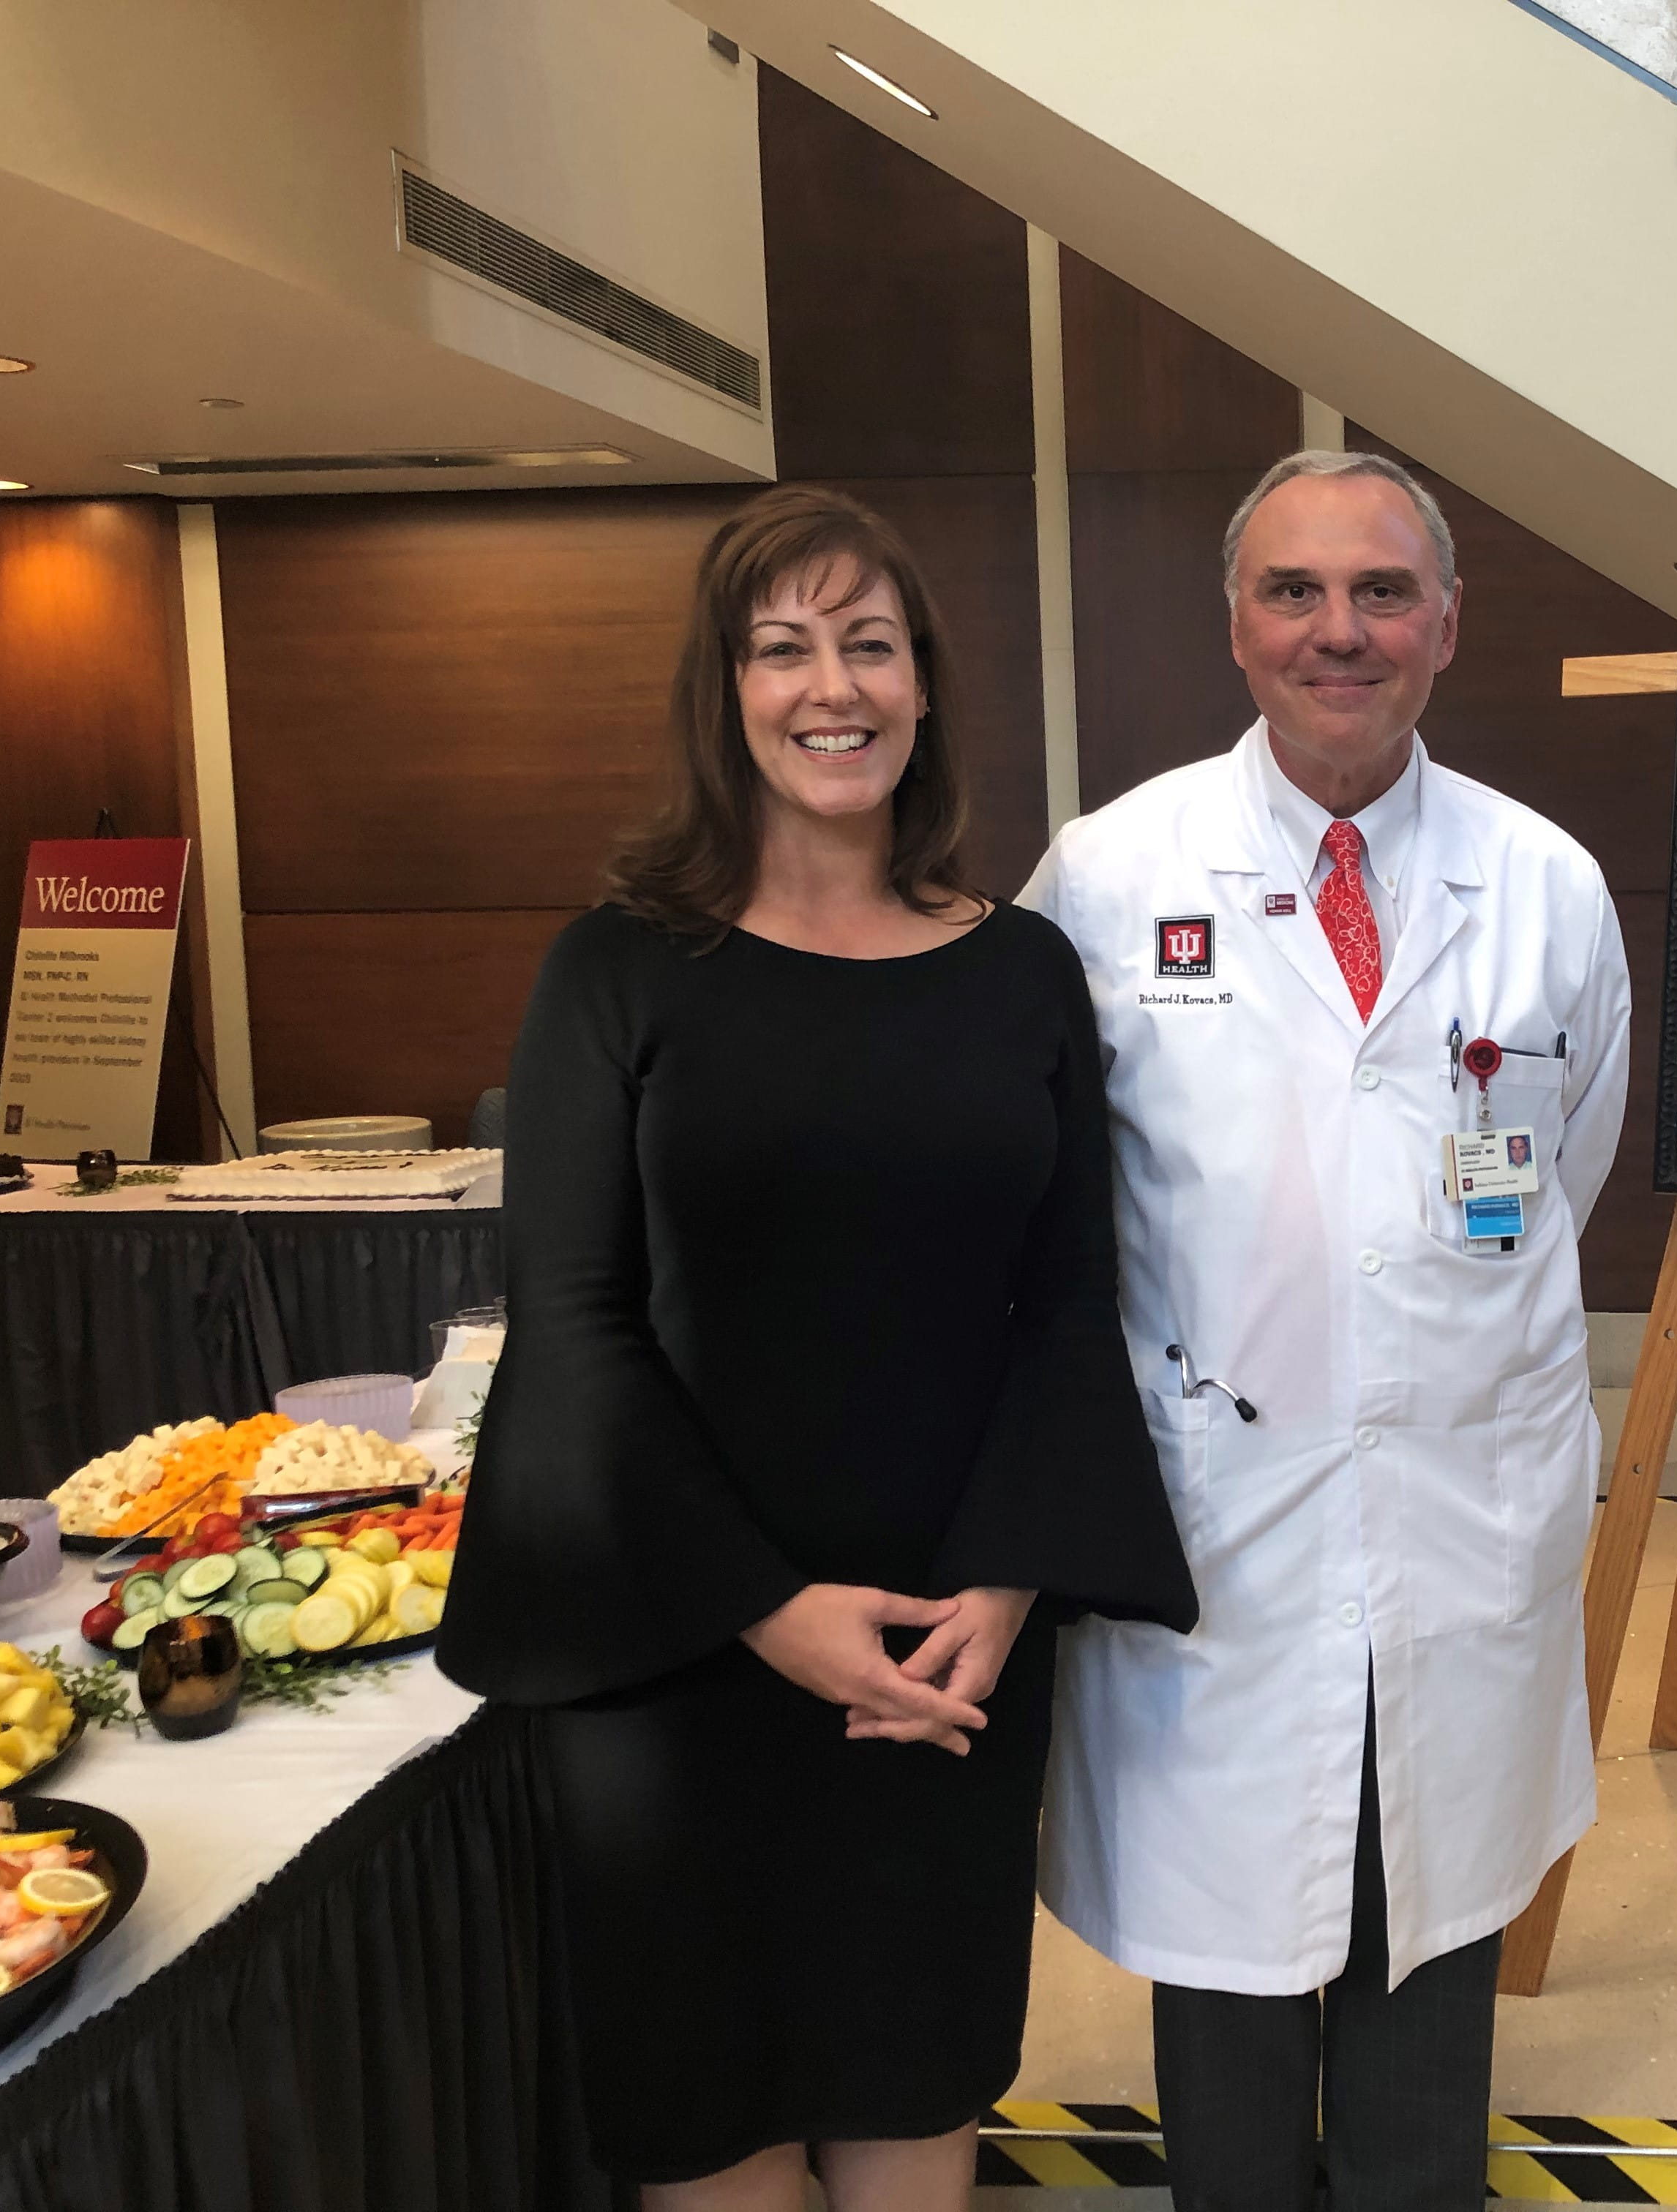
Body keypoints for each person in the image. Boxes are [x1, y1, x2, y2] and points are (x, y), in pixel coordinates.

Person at [438, 485, 1195, 2210]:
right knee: (712, 2121)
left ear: (924, 682)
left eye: (869, 644)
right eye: (782, 649)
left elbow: (1070, 1303)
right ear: (725, 690)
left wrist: (1006, 1581)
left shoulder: (1020, 971)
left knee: (915, 2079)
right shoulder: (615, 971)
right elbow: (576, 1324)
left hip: (943, 1652)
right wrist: (773, 1614)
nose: (831, 687)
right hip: (679, 1644)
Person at [1019, 448, 1632, 2212]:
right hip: (1218, 1515)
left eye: (1381, 592)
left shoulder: (1544, 884)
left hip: (1461, 1508)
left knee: (1429, 1957)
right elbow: (1055, 1199)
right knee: (1228, 1985)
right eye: (1295, 591)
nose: (1338, 630)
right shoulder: (1111, 874)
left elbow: (1564, 1170)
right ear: (1236, 624)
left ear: (1448, 622)